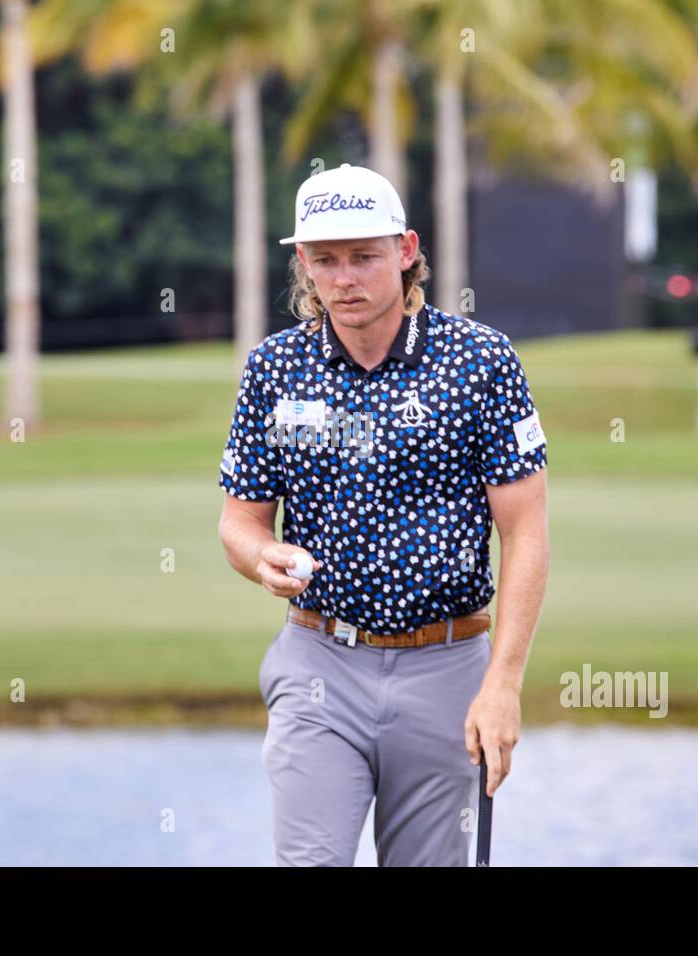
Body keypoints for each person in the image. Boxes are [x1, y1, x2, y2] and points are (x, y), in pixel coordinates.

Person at [217, 163, 550, 866]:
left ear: (405, 251)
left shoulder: (481, 361)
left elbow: (524, 533)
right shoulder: (273, 370)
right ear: (302, 262)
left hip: (449, 666)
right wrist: (259, 557)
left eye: (364, 257)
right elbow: (239, 522)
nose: (344, 278)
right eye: (325, 260)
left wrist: (504, 684)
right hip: (318, 663)